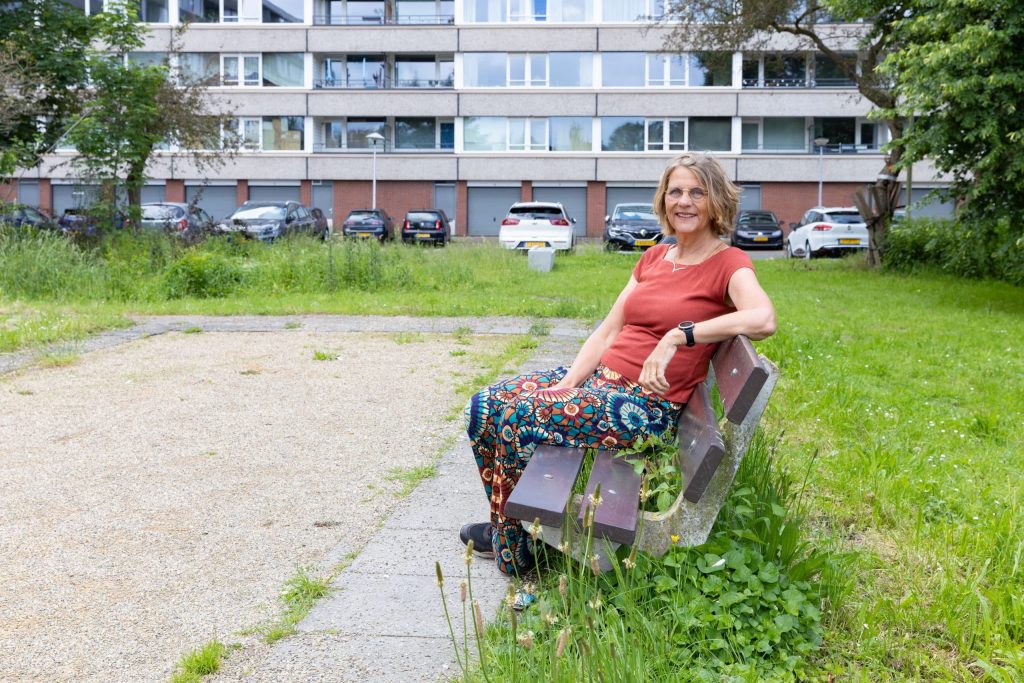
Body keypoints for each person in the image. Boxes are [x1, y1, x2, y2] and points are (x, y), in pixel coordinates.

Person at [461, 153, 777, 575]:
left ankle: (517, 555)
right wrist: (572, 382)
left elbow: (763, 318)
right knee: (484, 406)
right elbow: (609, 330)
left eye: (697, 192)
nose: (684, 201)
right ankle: (512, 527)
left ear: (716, 201)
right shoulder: (654, 258)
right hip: (601, 383)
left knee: (518, 417)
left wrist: (678, 335)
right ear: (664, 200)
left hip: (642, 408)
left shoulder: (728, 262)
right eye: (675, 191)